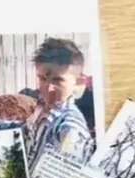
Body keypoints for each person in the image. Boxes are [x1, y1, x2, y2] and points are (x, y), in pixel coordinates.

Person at [23, 38, 95, 168]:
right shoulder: (46, 112)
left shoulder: (69, 127)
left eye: (58, 80)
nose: (49, 88)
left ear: (79, 82)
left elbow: (65, 175)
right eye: (43, 78)